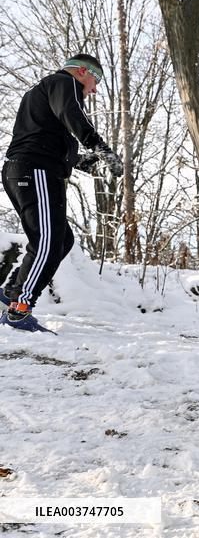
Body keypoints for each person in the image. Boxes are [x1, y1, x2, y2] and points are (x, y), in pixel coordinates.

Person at [1, 54, 123, 334]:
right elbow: (73, 115)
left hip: (30, 170)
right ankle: (19, 310)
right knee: (49, 239)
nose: (93, 90)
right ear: (82, 71)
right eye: (95, 81)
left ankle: (11, 292)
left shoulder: (45, 93)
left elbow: (46, 134)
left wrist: (79, 161)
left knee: (60, 239)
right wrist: (100, 147)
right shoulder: (62, 82)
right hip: (35, 171)